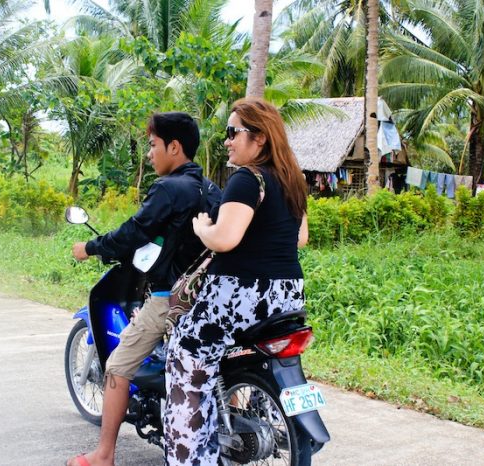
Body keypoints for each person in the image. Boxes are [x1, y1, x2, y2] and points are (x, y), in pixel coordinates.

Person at [67, 112, 221, 466]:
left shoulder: (168, 189)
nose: (149, 154)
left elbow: (135, 231)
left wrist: (90, 247)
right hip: (208, 297)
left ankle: (104, 455)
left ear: (174, 147)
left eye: (153, 145)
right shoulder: (212, 189)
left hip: (170, 298)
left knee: (118, 366)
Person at [163, 97, 309, 465]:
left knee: (185, 355)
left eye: (233, 132)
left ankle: (189, 457)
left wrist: (203, 228)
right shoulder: (292, 178)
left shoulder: (247, 178)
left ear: (259, 138)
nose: (227, 141)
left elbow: (224, 239)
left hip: (241, 296)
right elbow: (300, 238)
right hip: (287, 296)